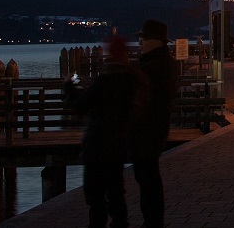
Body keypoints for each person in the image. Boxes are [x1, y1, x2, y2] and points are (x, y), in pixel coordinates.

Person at [66, 35, 137, 228]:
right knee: (116, 190)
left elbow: (80, 106)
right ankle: (120, 223)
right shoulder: (132, 81)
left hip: (97, 145)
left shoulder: (105, 81)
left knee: (95, 196)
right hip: (119, 143)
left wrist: (71, 88)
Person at [132, 19, 177, 228]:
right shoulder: (158, 61)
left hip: (149, 128)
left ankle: (152, 221)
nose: (140, 41)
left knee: (147, 177)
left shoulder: (156, 65)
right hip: (152, 128)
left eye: (144, 38)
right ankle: (152, 220)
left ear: (156, 41)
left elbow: (144, 96)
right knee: (147, 176)